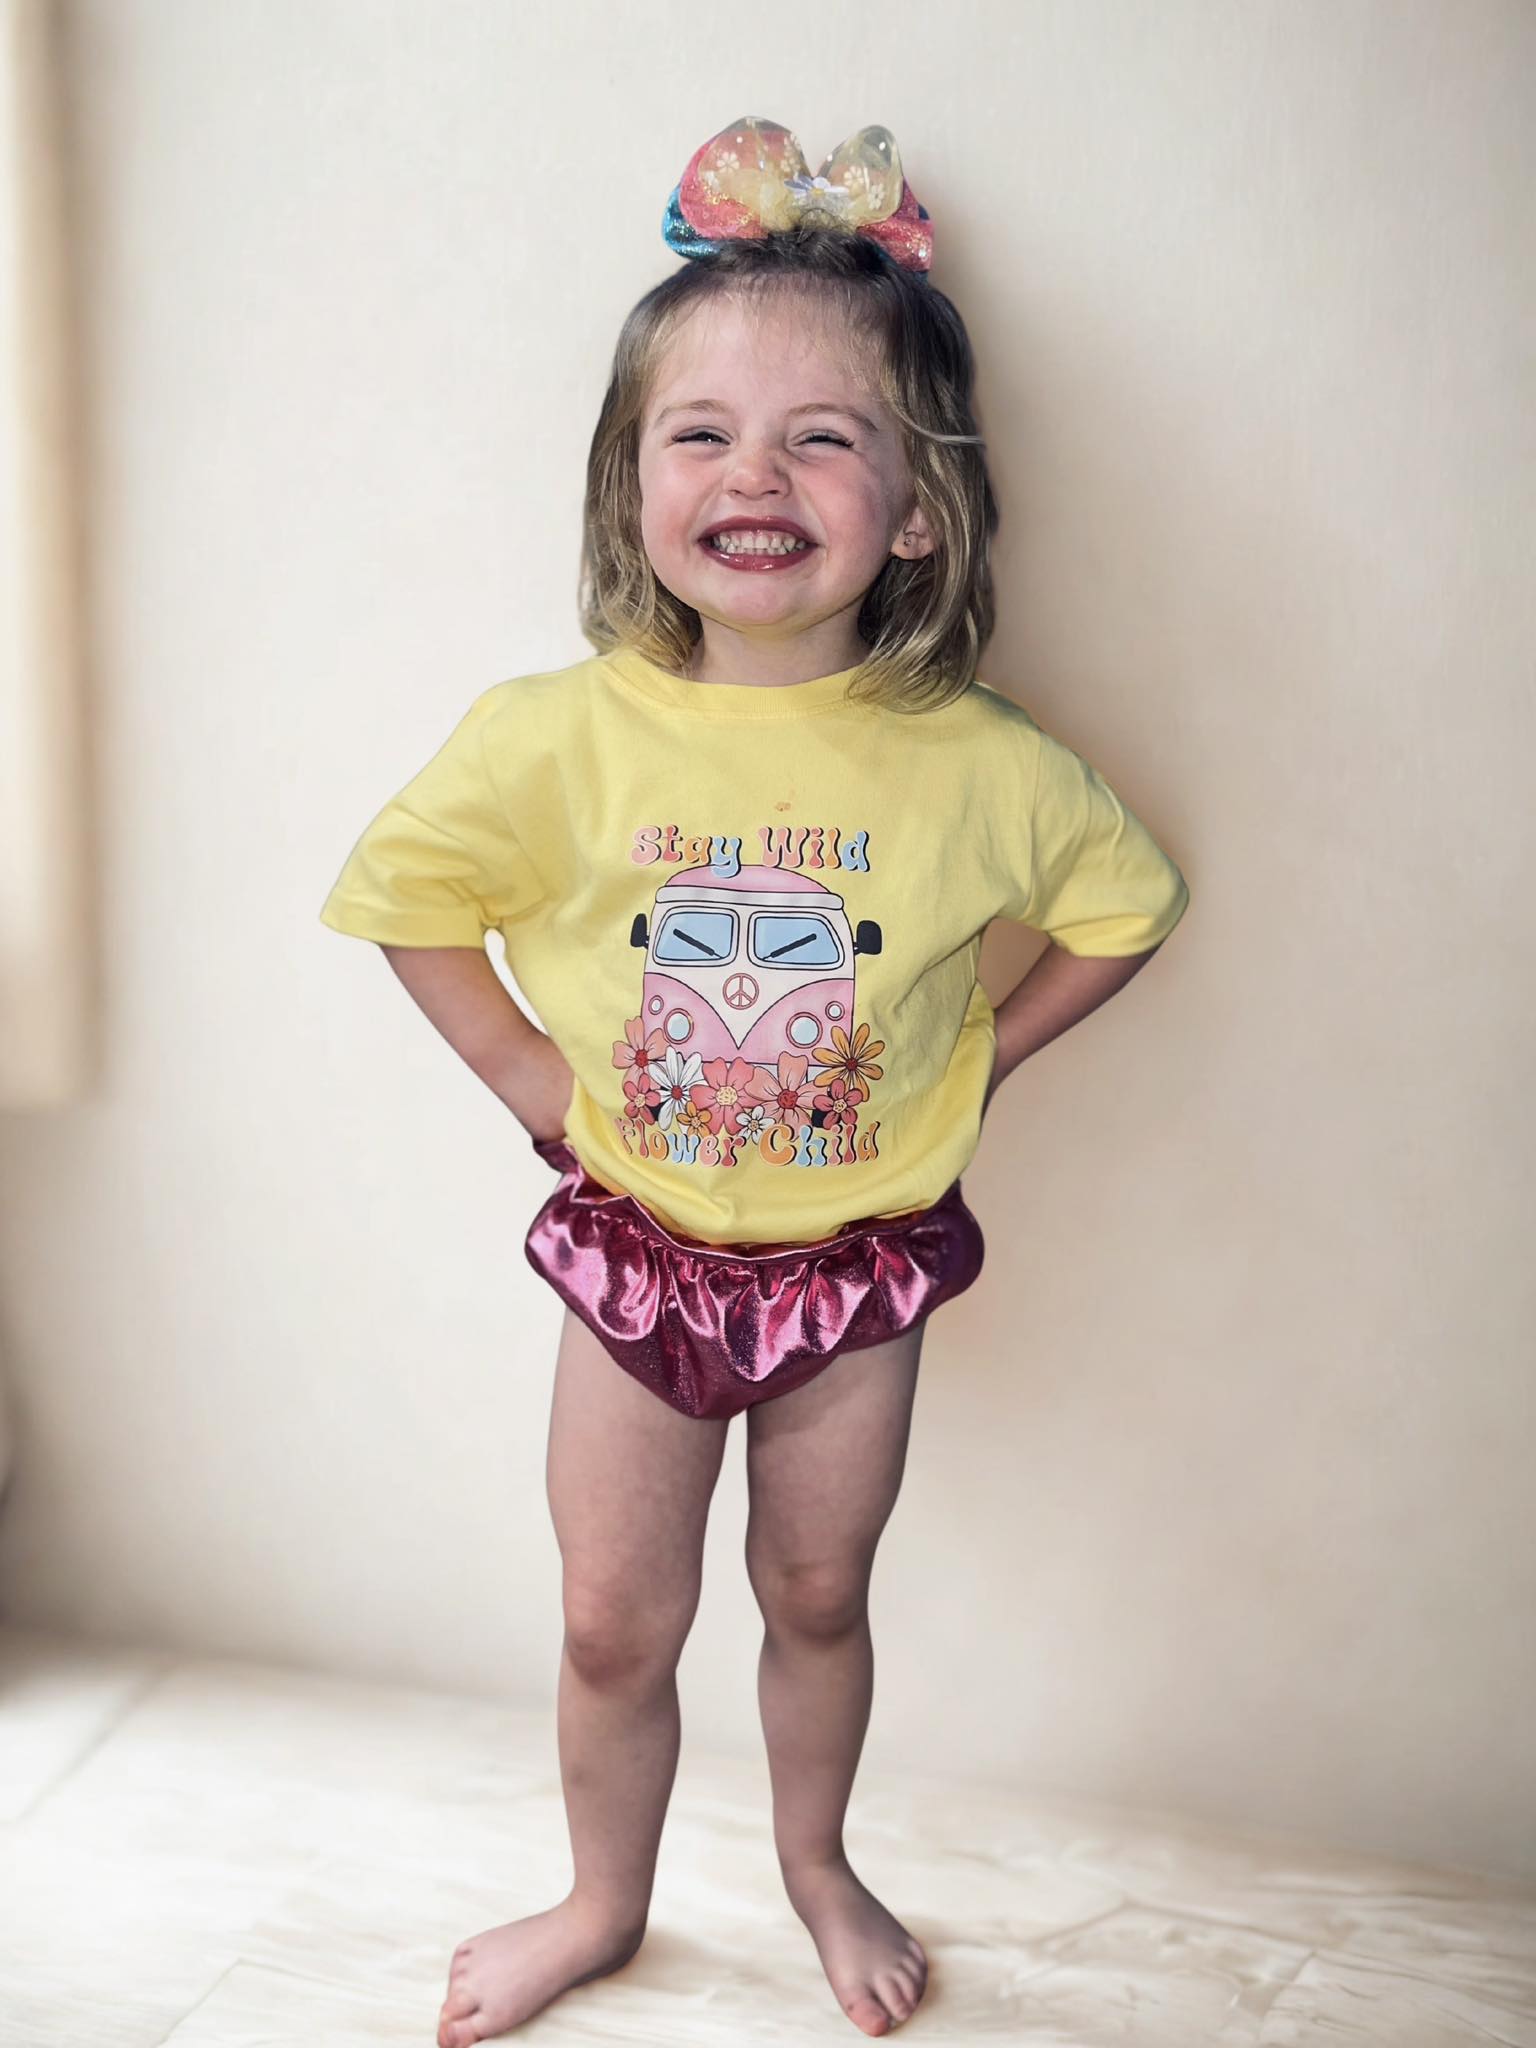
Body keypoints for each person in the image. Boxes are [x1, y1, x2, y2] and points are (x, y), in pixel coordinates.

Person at [319, 116, 1190, 2046]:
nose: (755, 475)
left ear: (921, 509)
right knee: (610, 1619)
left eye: (823, 437)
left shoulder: (978, 762)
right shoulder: (552, 739)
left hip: (855, 1270)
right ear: (630, 485)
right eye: (700, 432)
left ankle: (816, 1864)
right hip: (634, 1248)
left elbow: (1129, 903)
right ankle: (601, 1899)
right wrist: (530, 1079)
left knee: (815, 1592)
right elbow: (405, 895)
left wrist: (984, 1053)